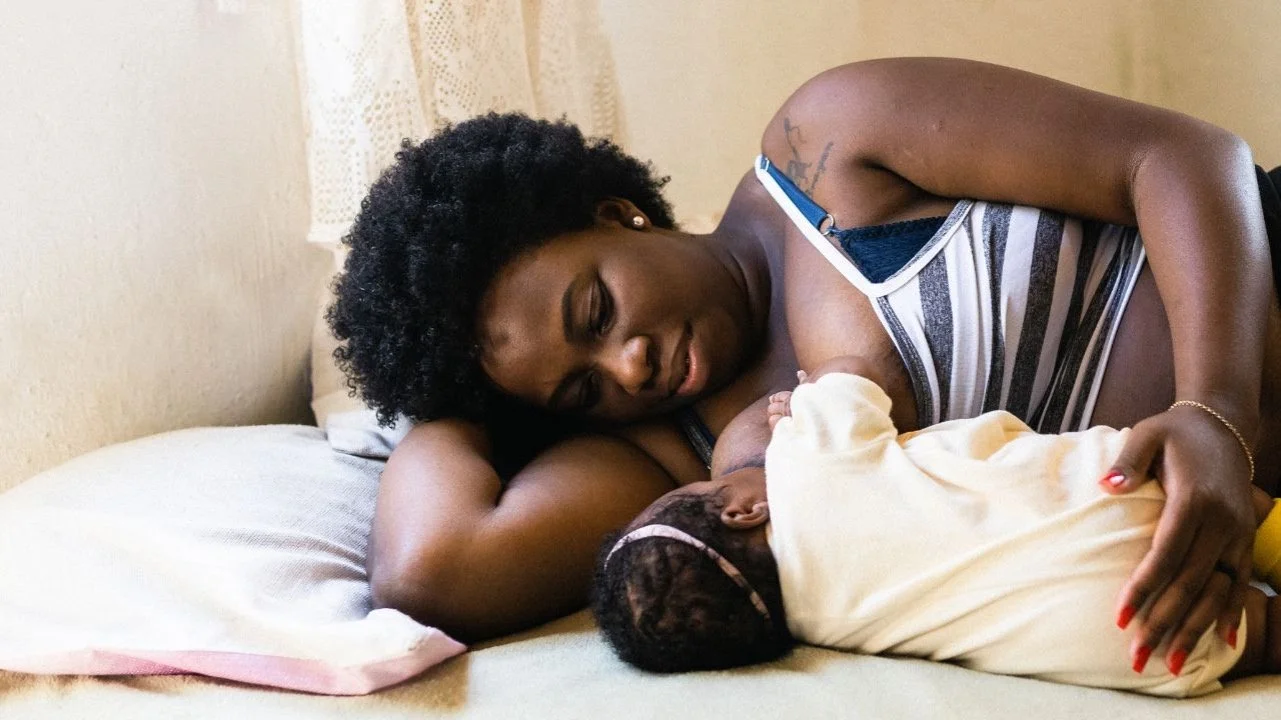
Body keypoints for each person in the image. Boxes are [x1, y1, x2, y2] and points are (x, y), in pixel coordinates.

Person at [326, 56, 1281, 673]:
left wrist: (1215, 414)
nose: (629, 365)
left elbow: (1182, 156)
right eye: (579, 388)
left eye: (596, 308)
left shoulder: (828, 147)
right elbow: (429, 570)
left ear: (618, 213)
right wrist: (453, 390)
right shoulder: (669, 458)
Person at [592, 362, 1281, 697]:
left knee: (1257, 635)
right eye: (715, 483)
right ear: (740, 509)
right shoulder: (806, 464)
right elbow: (856, 377)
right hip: (1119, 490)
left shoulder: (816, 627)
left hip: (1118, 630)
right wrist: (790, 405)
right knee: (1244, 517)